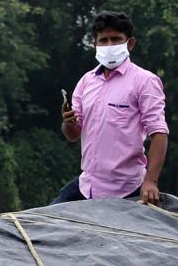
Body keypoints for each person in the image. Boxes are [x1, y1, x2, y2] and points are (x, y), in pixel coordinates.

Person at [56, 11, 169, 204]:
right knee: (42, 227)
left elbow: (158, 133)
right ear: (95, 44)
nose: (109, 45)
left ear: (130, 43)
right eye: (104, 40)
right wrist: (68, 122)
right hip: (88, 184)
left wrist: (151, 181)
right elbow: (73, 134)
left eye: (116, 39)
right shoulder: (86, 82)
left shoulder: (144, 81)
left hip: (127, 187)